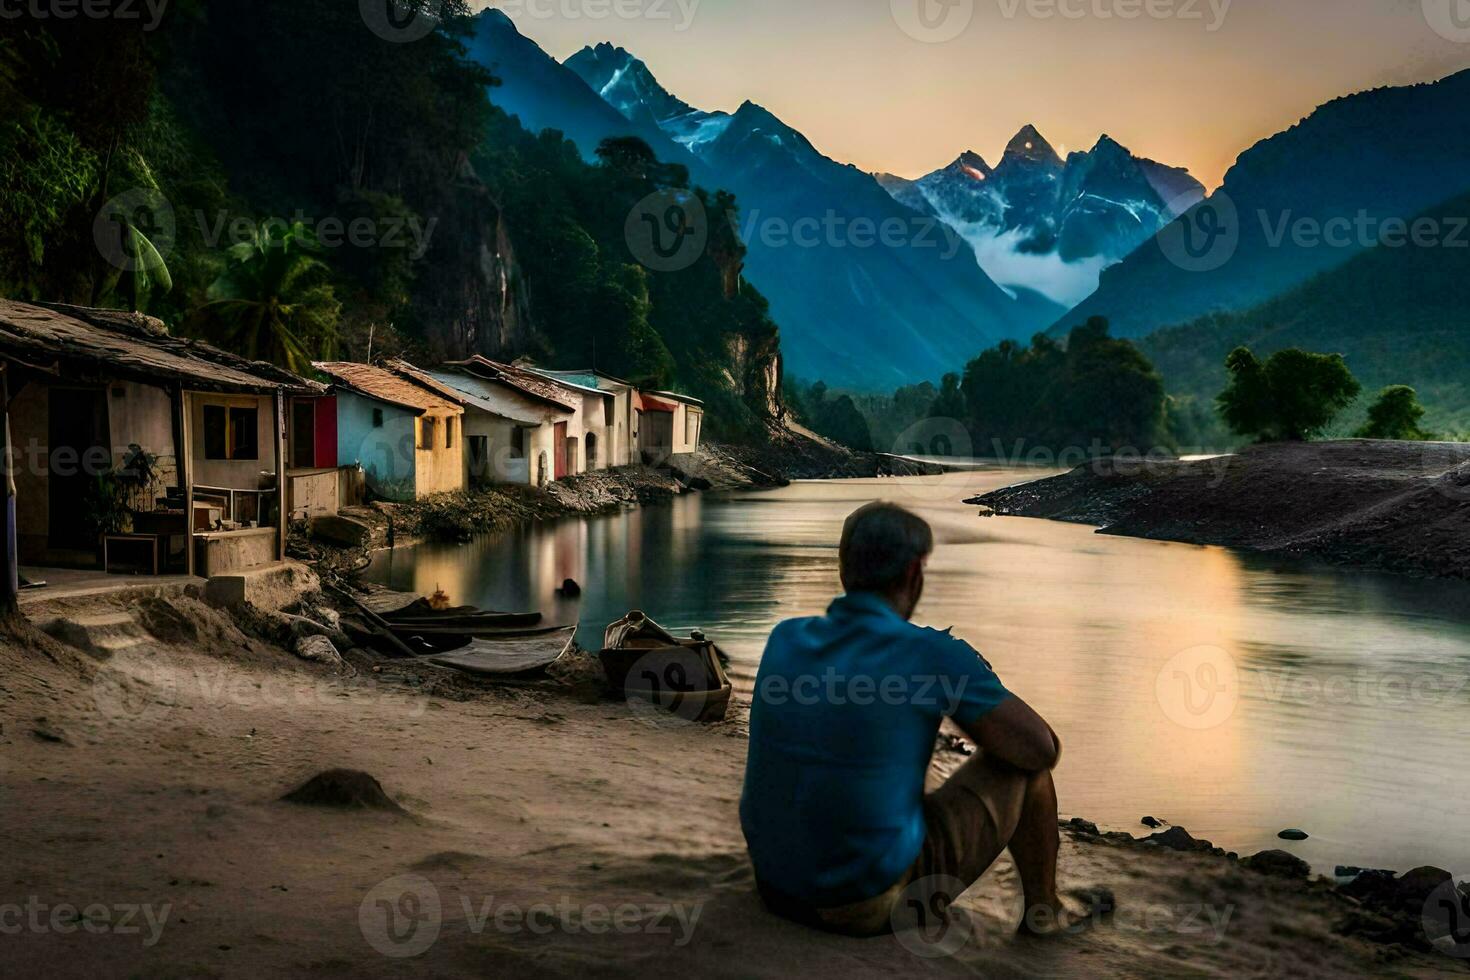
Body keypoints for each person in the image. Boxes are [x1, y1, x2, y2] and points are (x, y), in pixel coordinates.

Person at [740, 501, 1077, 938]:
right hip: (860, 904)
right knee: (1025, 769)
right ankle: (1045, 912)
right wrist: (968, 675)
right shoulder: (931, 655)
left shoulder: (785, 636)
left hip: (776, 888)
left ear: (845, 572)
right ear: (914, 573)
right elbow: (1040, 747)